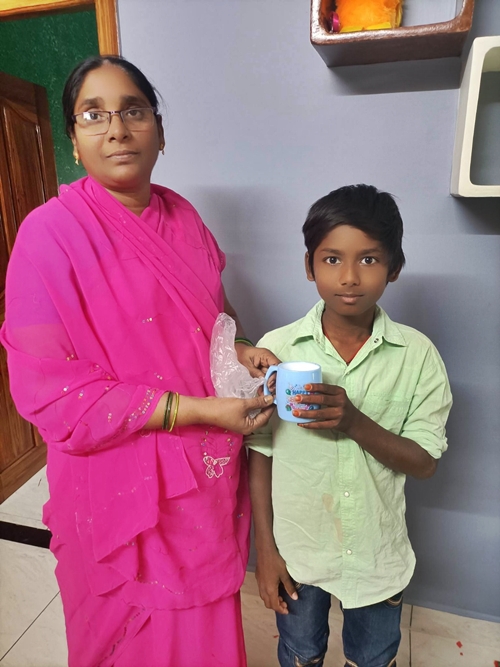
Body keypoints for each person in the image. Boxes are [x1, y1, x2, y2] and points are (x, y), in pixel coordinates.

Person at [0, 55, 278, 667]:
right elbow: (49, 392)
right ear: (74, 141)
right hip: (114, 488)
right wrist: (199, 410)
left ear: (159, 129)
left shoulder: (185, 218)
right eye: (93, 115)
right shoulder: (48, 235)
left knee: (202, 633)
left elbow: (211, 323)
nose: (116, 129)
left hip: (201, 477)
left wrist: (240, 351)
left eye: (133, 111)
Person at [246, 184, 452, 667]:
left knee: (374, 656)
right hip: (299, 550)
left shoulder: (418, 356)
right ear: (309, 265)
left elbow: (424, 463)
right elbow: (260, 452)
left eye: (370, 259)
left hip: (377, 556)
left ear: (394, 267)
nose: (350, 277)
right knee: (299, 652)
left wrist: (355, 422)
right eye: (332, 259)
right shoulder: (279, 348)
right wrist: (265, 549)